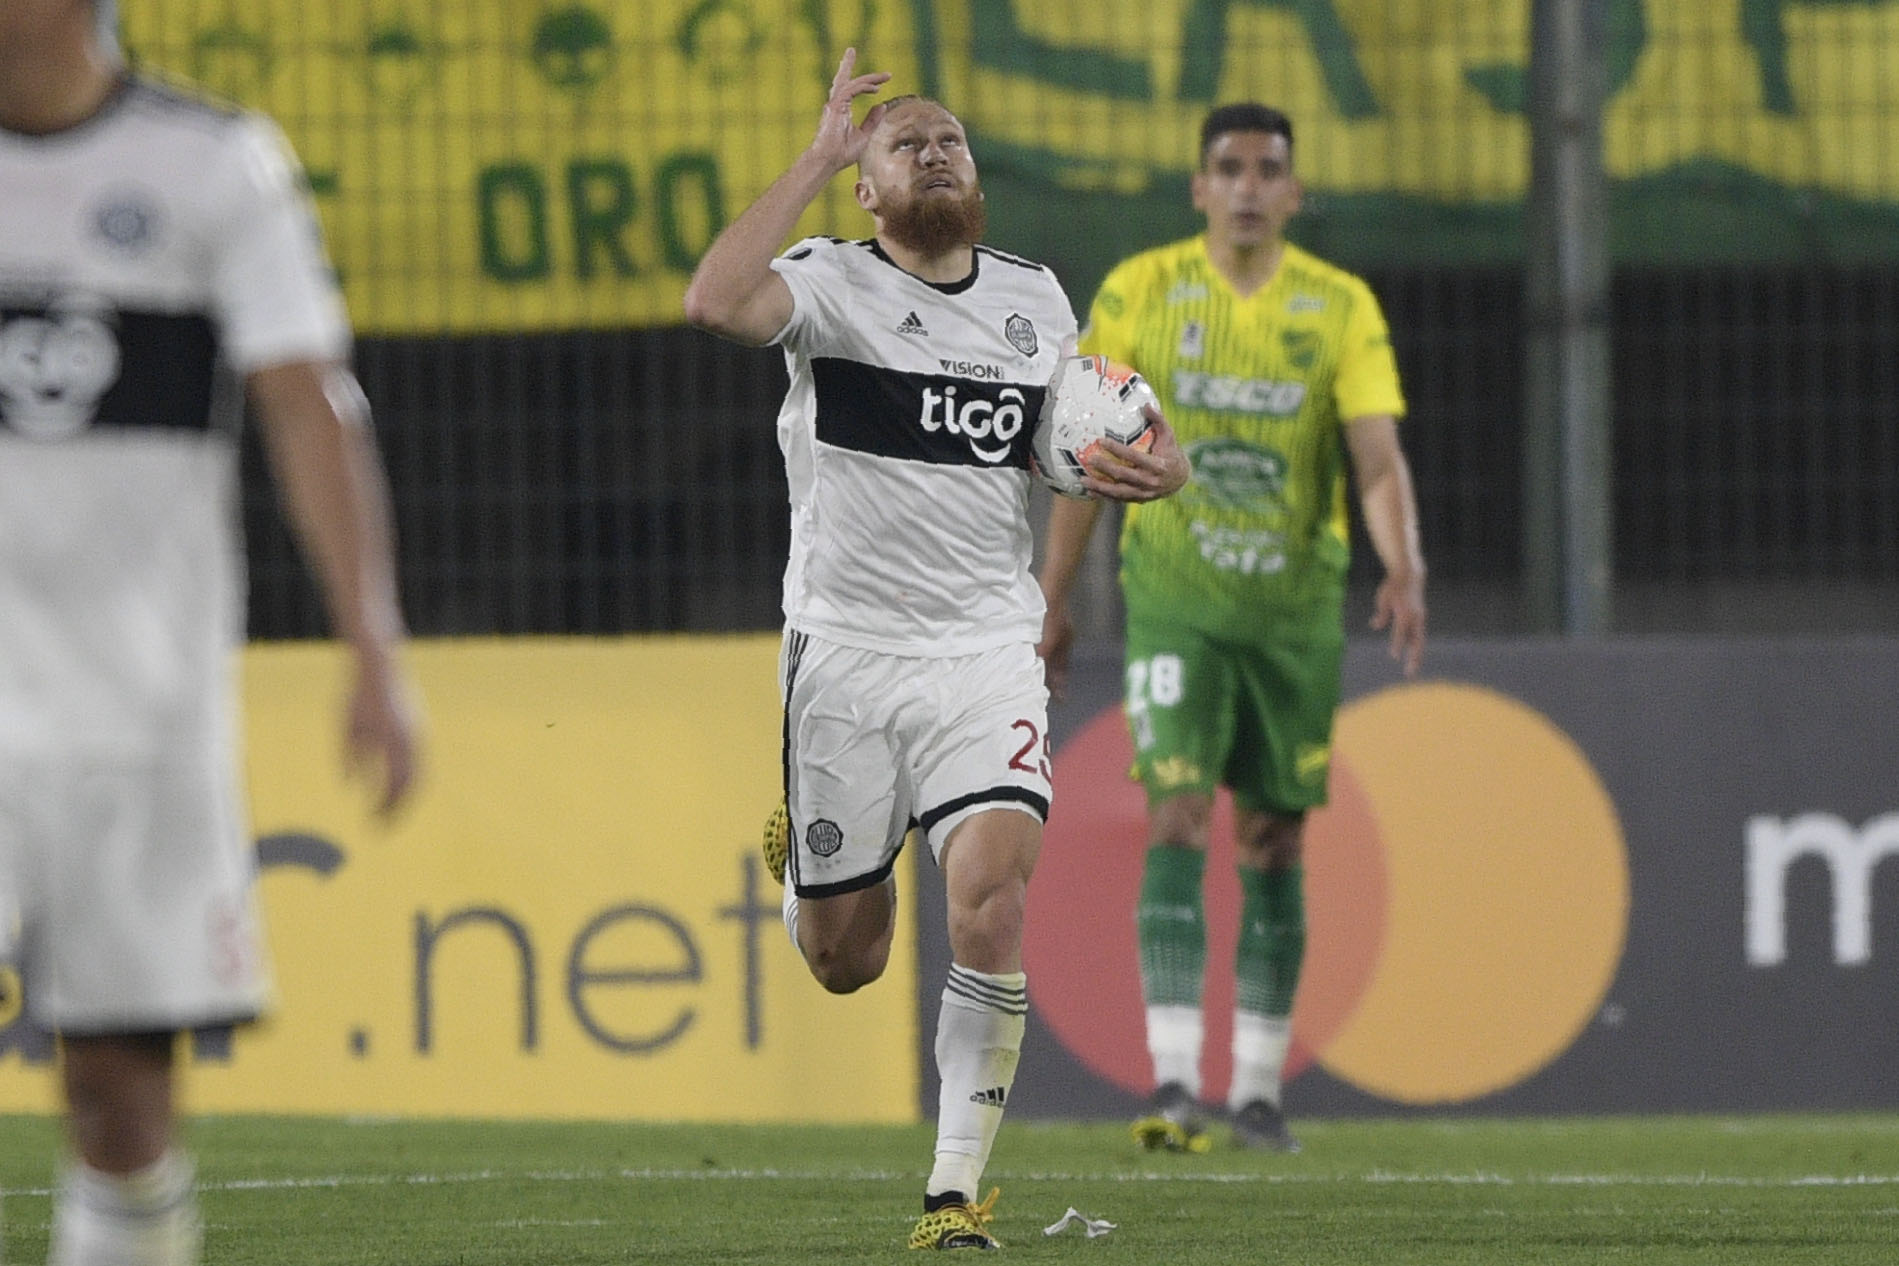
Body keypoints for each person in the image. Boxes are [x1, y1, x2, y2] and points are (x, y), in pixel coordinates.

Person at [684, 50, 1188, 1250]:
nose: (933, 152)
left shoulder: (1037, 300)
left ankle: (951, 1195)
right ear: (864, 187)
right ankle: (810, 860)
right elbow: (712, 302)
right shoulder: (825, 282)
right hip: (847, 654)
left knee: (989, 902)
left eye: (949, 140)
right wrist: (813, 153)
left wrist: (1161, 467)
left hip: (984, 652)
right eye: (903, 142)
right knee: (845, 961)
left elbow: (1083, 442)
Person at [0, 3, 422, 1263]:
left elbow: (308, 404)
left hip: (139, 714)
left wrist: (375, 654)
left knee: (119, 1095)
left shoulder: (212, 161)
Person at [1037, 103, 1427, 1155]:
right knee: (1173, 814)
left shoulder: (1337, 304)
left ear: (1295, 193)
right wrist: (1053, 595)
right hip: (1176, 602)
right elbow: (1083, 454)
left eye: (1268, 170)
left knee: (1275, 835)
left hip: (1293, 611)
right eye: (1229, 168)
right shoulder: (1140, 291)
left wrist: (1403, 561)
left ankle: (1257, 1094)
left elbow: (1375, 454)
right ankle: (1173, 1084)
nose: (1249, 186)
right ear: (1197, 188)